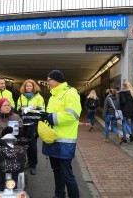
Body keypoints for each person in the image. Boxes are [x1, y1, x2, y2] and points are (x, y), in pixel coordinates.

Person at [42, 70, 81, 198]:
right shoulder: (53, 96)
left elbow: (72, 115)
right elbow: (51, 115)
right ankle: (59, 195)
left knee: (67, 174)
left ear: (56, 79)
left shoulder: (70, 94)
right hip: (53, 139)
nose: (47, 83)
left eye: (49, 80)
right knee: (57, 171)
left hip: (65, 141)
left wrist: (50, 116)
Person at [0, 98, 24, 191]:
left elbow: (22, 129)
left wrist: (23, 130)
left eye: (9, 105)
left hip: (14, 144)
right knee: (0, 160)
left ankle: (14, 186)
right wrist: (2, 132)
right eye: (5, 105)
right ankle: (1, 186)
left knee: (16, 158)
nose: (8, 107)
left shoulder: (16, 117)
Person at [17, 79, 45, 175]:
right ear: (24, 87)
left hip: (34, 124)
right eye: (27, 86)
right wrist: (22, 108)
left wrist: (36, 108)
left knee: (32, 144)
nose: (28, 87)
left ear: (34, 87)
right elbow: (18, 108)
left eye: (30, 86)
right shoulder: (21, 97)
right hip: (23, 124)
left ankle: (33, 165)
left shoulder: (39, 97)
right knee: (25, 143)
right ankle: (28, 162)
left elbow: (43, 110)